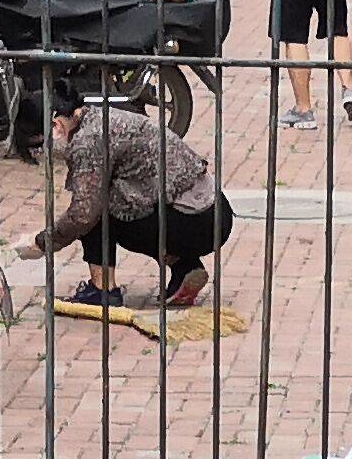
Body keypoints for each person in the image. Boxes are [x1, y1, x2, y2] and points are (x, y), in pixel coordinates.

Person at [27, 84, 229, 310]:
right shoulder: (100, 115)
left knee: (94, 209)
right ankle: (185, 267)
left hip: (193, 223)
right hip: (216, 212)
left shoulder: (87, 141)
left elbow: (83, 215)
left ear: (55, 126)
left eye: (38, 146)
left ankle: (103, 290)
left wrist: (42, 243)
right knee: (114, 198)